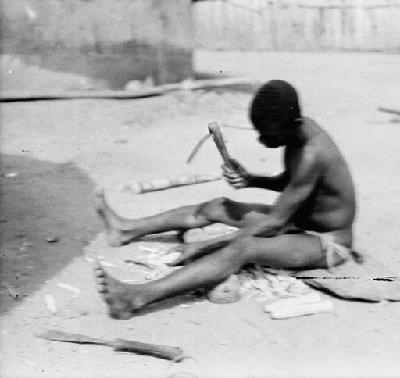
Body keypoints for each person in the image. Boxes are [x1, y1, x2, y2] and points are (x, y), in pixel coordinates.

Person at [93, 80, 357, 319]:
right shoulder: (297, 131)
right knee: (217, 207)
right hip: (294, 219)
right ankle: (126, 229)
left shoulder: (313, 152)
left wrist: (207, 245)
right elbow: (294, 182)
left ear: (294, 123)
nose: (263, 141)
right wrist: (252, 179)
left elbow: (274, 223)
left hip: (325, 241)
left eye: (270, 135)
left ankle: (136, 297)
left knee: (243, 248)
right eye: (260, 133)